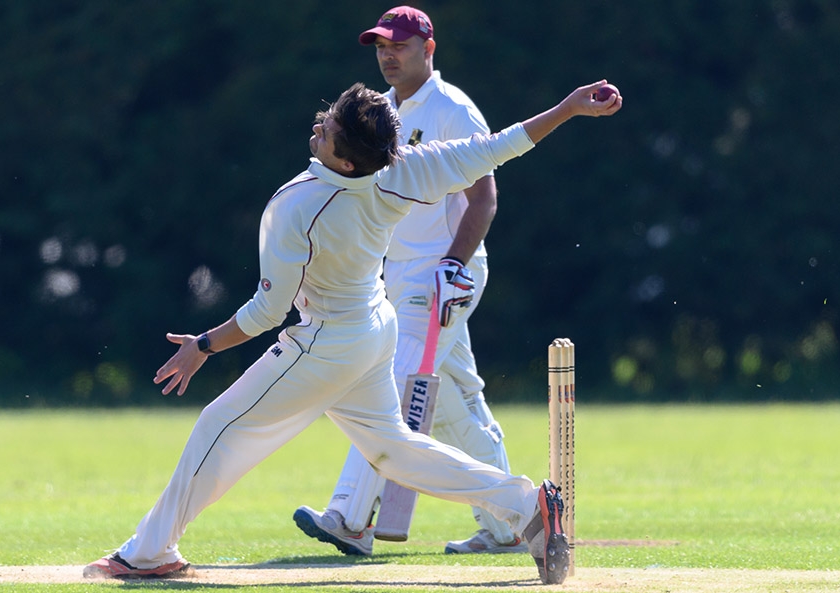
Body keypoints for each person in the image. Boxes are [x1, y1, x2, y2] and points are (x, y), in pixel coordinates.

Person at [82, 81, 621, 585]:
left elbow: (268, 312)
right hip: (373, 330)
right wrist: (568, 108)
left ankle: (148, 554)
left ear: (344, 159)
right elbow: (497, 147)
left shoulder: (298, 207)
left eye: (330, 126)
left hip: (326, 343)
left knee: (217, 425)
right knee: (394, 453)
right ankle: (528, 504)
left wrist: (204, 345)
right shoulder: (401, 171)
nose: (319, 123)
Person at [293, 6, 525, 556]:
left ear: (428, 48)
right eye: (380, 46)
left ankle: (350, 516)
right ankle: (511, 524)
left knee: (388, 389)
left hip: (444, 273)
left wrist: (453, 265)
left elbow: (484, 197)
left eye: (398, 45)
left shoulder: (452, 109)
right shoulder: (382, 113)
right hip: (399, 274)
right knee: (456, 406)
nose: (388, 55)